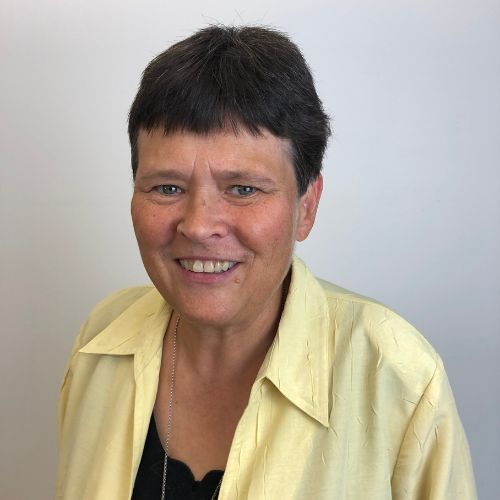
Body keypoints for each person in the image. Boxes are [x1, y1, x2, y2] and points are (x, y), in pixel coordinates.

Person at [56, 25, 477, 499]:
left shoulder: (399, 376)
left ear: (306, 206)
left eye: (243, 189)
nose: (198, 226)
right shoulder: (98, 343)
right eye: (167, 187)